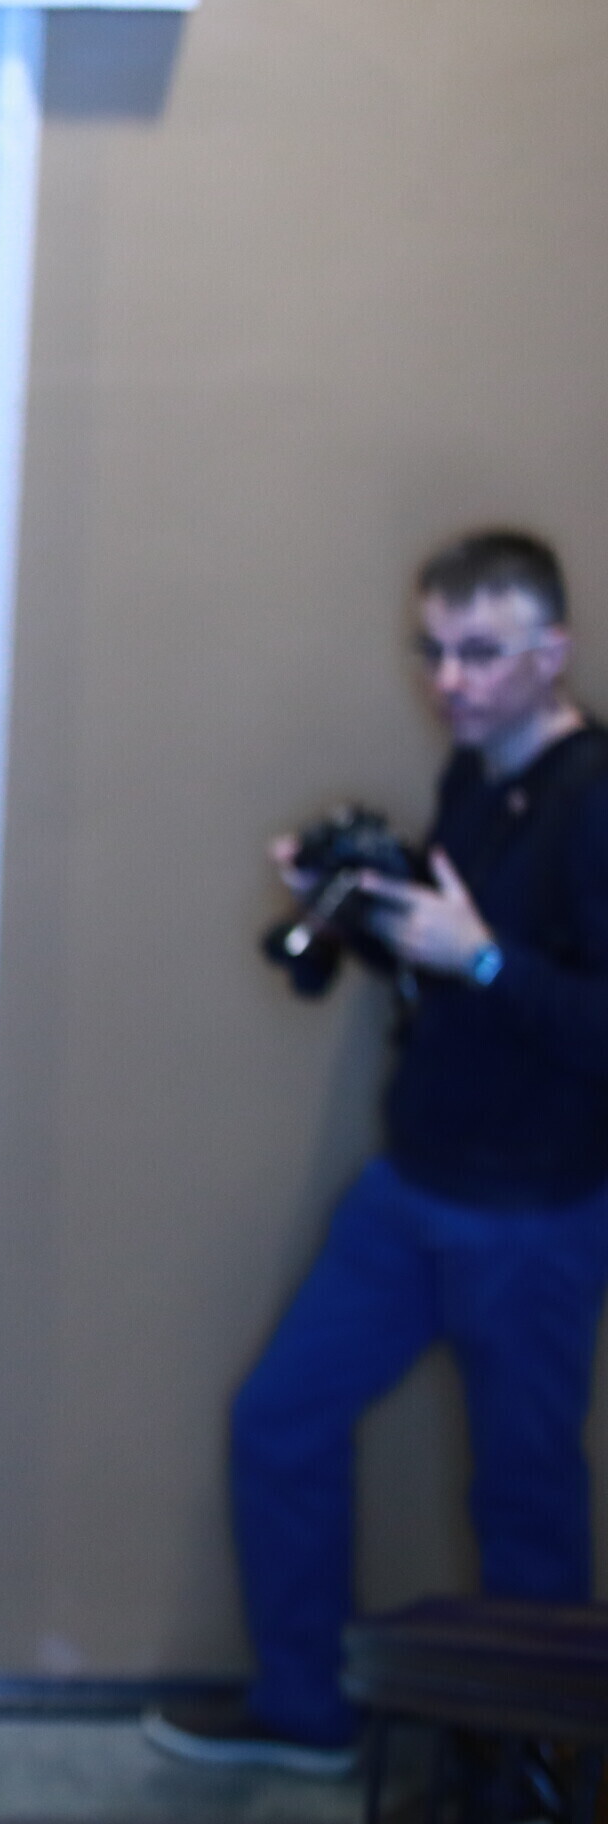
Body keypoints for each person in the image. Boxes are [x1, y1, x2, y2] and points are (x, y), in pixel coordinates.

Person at [148, 530, 608, 1774]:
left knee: (523, 1499)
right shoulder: (475, 777)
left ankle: (530, 1777)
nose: (451, 681)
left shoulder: (593, 802)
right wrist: (356, 909)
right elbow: (447, 969)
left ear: (552, 653)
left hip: (534, 1219)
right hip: (413, 1188)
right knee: (279, 1423)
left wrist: (487, 959)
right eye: (434, 651)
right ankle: (306, 1713)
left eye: (483, 653)